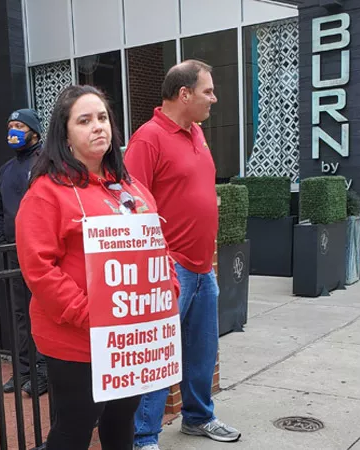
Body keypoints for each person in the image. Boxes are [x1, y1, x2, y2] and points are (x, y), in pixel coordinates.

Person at [14, 85, 179, 450]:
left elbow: (158, 247)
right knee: (75, 428)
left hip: (129, 339)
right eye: (84, 120)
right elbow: (39, 269)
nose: (97, 127)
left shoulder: (132, 189)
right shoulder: (46, 192)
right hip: (75, 340)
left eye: (102, 118)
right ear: (66, 134)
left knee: (122, 421)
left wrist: (167, 290)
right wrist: (92, 315)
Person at [124, 60, 241, 450]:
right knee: (159, 355)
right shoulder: (148, 138)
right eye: (208, 91)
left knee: (203, 352)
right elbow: (129, 205)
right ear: (184, 93)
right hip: (167, 266)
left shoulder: (197, 133)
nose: (214, 98)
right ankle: (144, 437)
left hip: (201, 265)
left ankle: (197, 417)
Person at [0, 108, 48, 396]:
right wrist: (1, 241)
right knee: (19, 314)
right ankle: (24, 370)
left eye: (19, 126)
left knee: (42, 311)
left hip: (40, 252)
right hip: (13, 254)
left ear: (34, 132)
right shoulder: (5, 170)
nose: (13, 130)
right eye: (10, 125)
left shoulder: (45, 164)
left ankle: (42, 372)